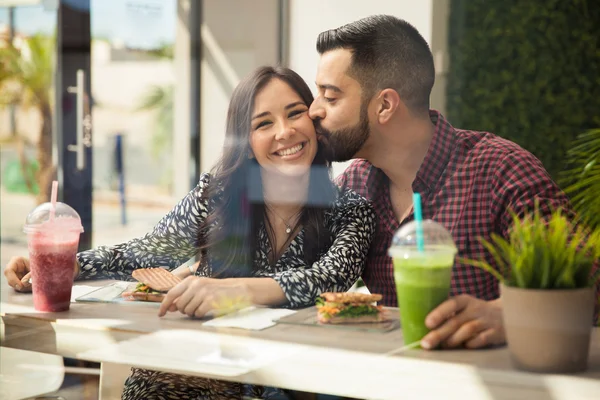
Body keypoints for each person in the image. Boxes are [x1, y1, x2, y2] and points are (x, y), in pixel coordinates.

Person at [4, 66, 376, 399]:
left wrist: (232, 291)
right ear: (245, 144)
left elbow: (327, 281)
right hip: (201, 366)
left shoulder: (351, 211)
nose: (285, 132)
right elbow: (147, 251)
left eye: (295, 114)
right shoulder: (218, 196)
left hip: (289, 379)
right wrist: (66, 264)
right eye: (263, 123)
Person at [309, 14, 599, 351]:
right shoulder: (354, 184)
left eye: (330, 97)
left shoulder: (501, 170)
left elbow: (588, 282)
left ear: (385, 105)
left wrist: (510, 315)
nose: (314, 110)